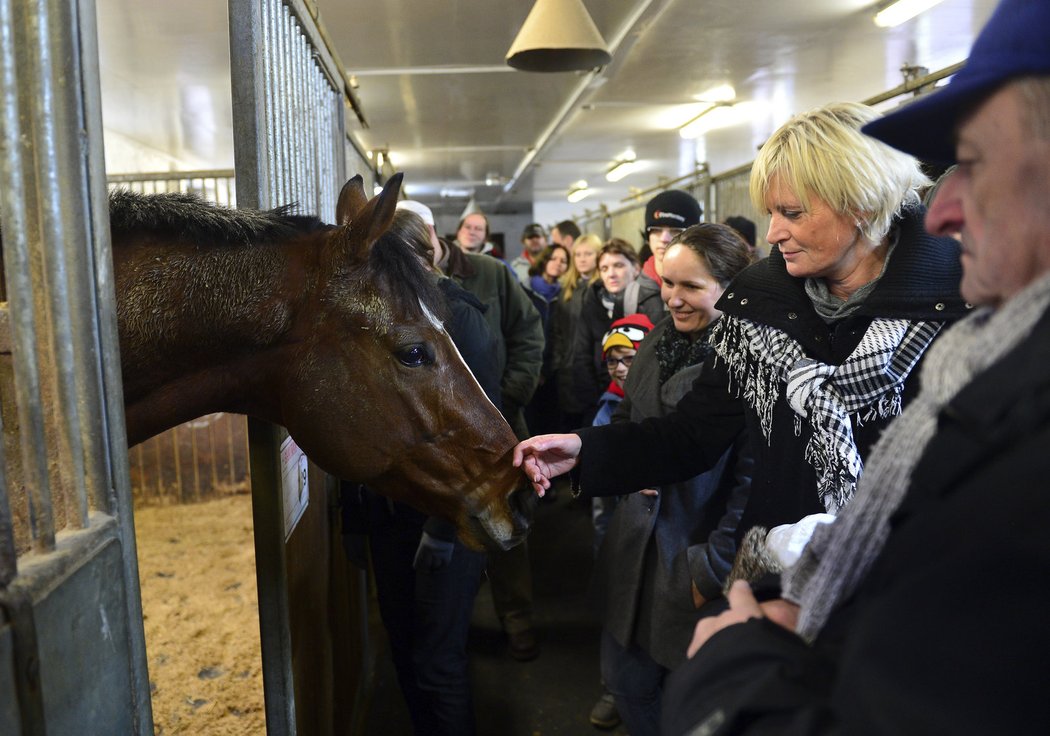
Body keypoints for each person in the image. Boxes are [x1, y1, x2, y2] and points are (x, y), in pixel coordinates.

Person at [661, 1, 1050, 732]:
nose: (943, 211)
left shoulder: (1005, 407)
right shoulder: (992, 370)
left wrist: (730, 671)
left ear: (858, 203)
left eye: (971, 162)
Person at [515, 99, 969, 608]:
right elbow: (692, 435)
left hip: (916, 596)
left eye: (792, 213)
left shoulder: (964, 307)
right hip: (782, 589)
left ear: (860, 204)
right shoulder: (761, 305)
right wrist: (586, 450)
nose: (773, 233)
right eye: (771, 213)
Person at [591, 225, 754, 736]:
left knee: (691, 698)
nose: (673, 299)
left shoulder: (750, 360)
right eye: (667, 282)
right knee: (626, 680)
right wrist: (622, 469)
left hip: (691, 547)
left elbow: (753, 477)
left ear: (730, 288)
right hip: (636, 543)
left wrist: (713, 566)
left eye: (690, 286)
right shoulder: (659, 338)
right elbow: (625, 417)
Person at [342, 206, 498, 735]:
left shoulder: (459, 317)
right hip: (391, 512)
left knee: (437, 659)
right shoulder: (373, 320)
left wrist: (442, 527)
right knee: (406, 646)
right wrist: (355, 517)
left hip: (447, 514)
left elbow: (475, 435)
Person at [435, 210, 546, 661]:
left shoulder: (491, 274)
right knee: (446, 527)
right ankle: (452, 629)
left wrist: (512, 396)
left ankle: (517, 619)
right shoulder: (402, 279)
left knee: (507, 526)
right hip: (440, 435)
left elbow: (528, 334)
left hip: (500, 427)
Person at [587, 311, 655, 731]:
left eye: (629, 357)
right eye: (613, 360)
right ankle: (613, 687)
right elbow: (600, 507)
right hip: (619, 525)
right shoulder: (608, 405)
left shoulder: (662, 397)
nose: (620, 368)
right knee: (617, 608)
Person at [573, 238, 665, 421]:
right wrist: (594, 402)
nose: (611, 274)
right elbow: (581, 355)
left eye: (618, 265)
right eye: (604, 268)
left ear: (636, 268)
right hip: (599, 401)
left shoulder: (653, 303)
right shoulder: (591, 302)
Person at [551, 233, 602, 430]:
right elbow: (557, 331)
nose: (581, 258)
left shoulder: (601, 289)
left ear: (598, 256)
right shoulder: (567, 289)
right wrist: (558, 363)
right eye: (578, 254)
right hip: (567, 372)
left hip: (592, 372)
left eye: (588, 254)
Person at [524, 244, 570, 436]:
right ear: (544, 259)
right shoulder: (525, 290)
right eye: (554, 258)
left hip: (554, 371)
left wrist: (550, 368)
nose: (558, 264)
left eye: (563, 261)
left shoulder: (565, 295)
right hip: (528, 368)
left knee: (550, 424)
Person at [639, 190, 703, 285]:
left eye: (675, 231)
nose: (664, 239)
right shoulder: (634, 292)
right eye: (656, 230)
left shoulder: (709, 287)